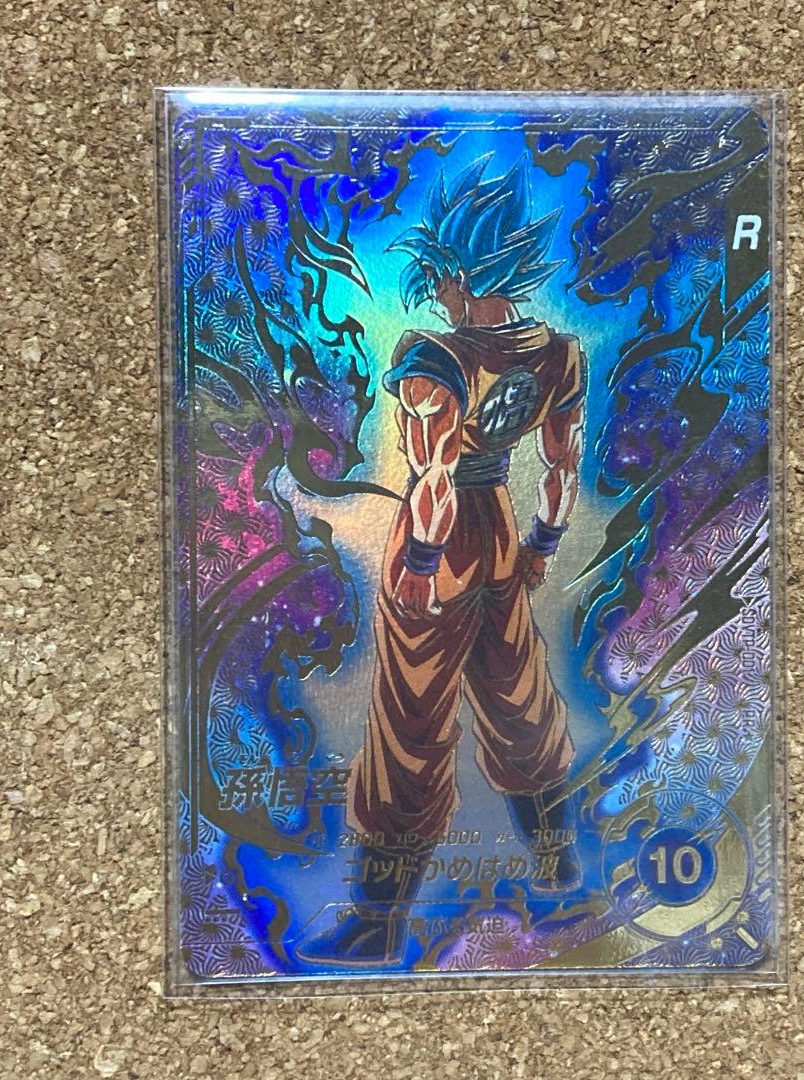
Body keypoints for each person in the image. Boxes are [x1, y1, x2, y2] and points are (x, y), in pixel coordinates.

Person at [302, 156, 585, 965]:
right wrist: (541, 546)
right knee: (518, 694)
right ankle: (559, 868)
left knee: (410, 724)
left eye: (441, 278)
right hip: (500, 534)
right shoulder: (558, 353)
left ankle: (377, 922)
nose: (436, 293)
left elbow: (432, 477)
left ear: (464, 272)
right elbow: (561, 468)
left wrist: (422, 564)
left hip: (443, 540)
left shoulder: (435, 357)